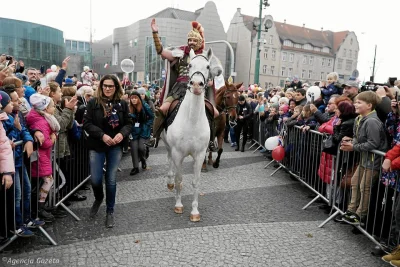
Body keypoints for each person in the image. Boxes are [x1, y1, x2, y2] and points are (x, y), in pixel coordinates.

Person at [149, 18, 219, 151]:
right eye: (189, 40)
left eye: (194, 40)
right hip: (179, 88)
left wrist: (211, 78)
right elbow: (161, 52)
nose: (191, 43)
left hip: (197, 89)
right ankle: (154, 136)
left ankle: (211, 140)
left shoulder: (204, 57)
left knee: (214, 112)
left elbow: (213, 70)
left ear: (200, 42)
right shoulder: (180, 53)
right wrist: (155, 34)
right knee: (163, 109)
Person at [83, 74, 132, 228]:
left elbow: (129, 123)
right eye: (105, 86)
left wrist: (121, 134)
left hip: (115, 146)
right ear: (101, 87)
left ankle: (110, 211)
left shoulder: (122, 104)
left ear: (116, 87)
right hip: (98, 144)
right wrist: (102, 135)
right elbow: (87, 124)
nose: (108, 88)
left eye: (111, 86)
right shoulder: (93, 103)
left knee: (111, 179)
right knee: (96, 179)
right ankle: (99, 198)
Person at [340, 91, 388, 225]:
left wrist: (353, 147)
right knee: (355, 183)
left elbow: (373, 143)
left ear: (369, 105)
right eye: (355, 101)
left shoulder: (372, 121)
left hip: (373, 161)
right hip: (364, 159)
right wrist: (351, 140)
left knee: (364, 187)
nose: (355, 104)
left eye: (359, 102)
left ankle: (360, 215)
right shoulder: (359, 118)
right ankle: (351, 210)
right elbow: (358, 137)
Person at [26, 93, 60, 222]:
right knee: (47, 180)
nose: (54, 108)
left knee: (43, 181)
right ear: (45, 109)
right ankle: (39, 207)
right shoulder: (41, 121)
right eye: (52, 106)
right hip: (40, 156)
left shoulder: (39, 118)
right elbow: (44, 142)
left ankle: (40, 206)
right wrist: (52, 138)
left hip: (41, 156)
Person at [128, 91, 154, 175]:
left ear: (139, 98)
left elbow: (152, 116)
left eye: (135, 98)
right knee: (134, 149)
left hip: (143, 130)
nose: (134, 100)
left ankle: (143, 159)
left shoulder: (145, 105)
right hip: (134, 130)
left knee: (141, 148)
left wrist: (147, 125)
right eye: (132, 98)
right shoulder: (130, 107)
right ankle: (135, 167)